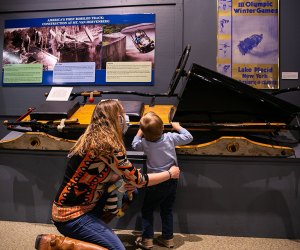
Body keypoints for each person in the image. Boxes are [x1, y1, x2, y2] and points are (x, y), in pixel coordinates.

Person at [36, 100, 180, 250]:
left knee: (130, 192)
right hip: (71, 215)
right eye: (121, 114)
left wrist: (125, 180)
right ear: (114, 119)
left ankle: (93, 230)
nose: (125, 118)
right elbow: (140, 181)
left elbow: (100, 175)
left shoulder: (92, 137)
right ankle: (57, 244)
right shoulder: (108, 146)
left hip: (79, 207)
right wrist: (170, 174)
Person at [132, 111, 193, 249]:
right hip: (171, 180)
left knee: (147, 210)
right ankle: (168, 239)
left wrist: (139, 133)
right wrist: (178, 127)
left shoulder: (144, 143)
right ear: (163, 128)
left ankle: (147, 239)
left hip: (155, 182)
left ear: (144, 132)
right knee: (167, 209)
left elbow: (134, 144)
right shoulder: (170, 138)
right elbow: (188, 137)